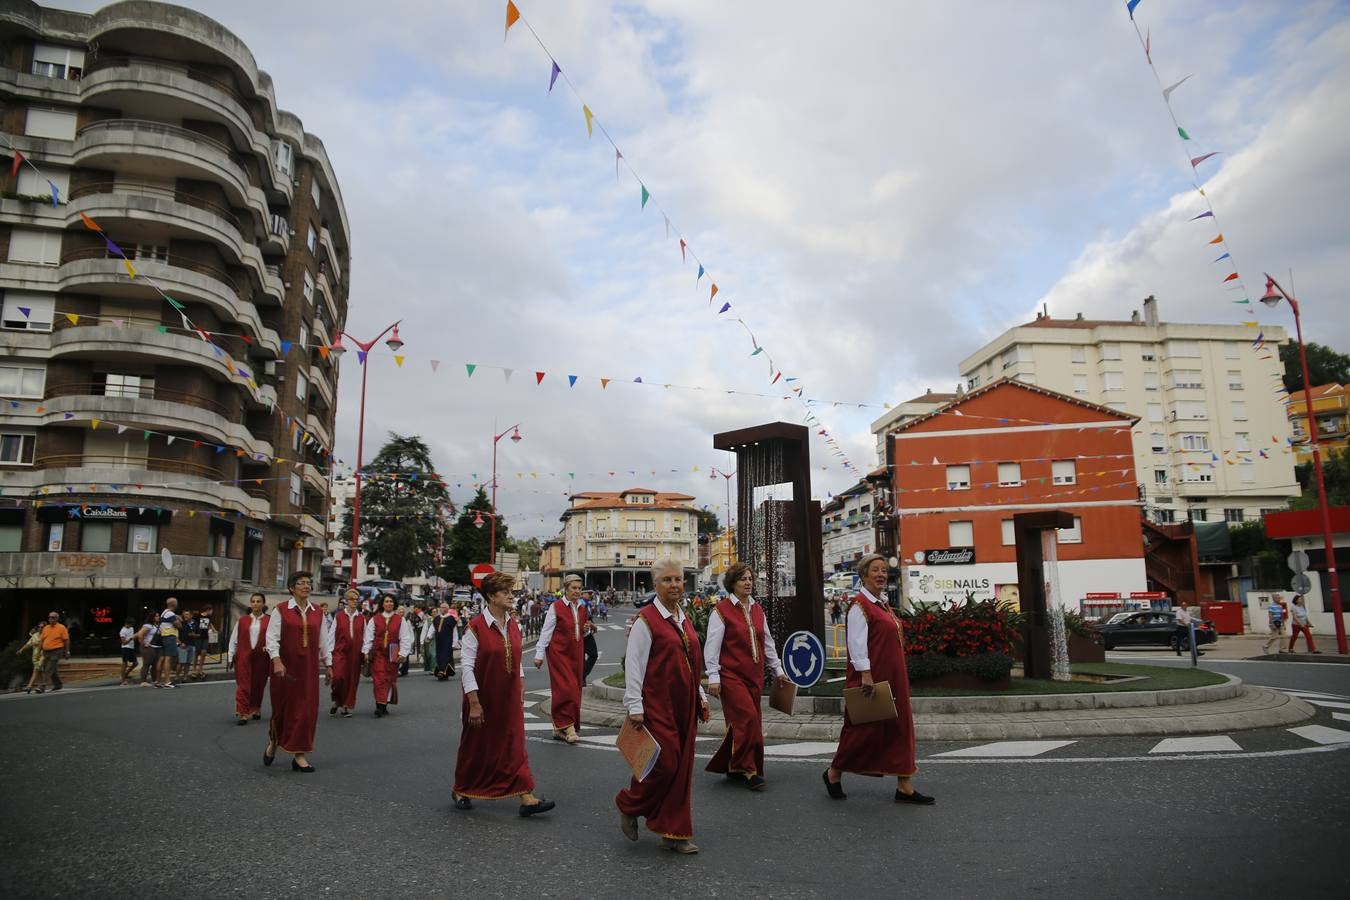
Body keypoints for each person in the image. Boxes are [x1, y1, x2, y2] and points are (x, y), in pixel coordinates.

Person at [616, 558, 709, 855]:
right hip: (656, 705)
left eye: (678, 580)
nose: (674, 585)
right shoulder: (646, 620)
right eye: (667, 580)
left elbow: (693, 663)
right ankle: (629, 805)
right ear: (655, 584)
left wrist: (701, 695)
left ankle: (674, 831)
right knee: (664, 764)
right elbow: (634, 665)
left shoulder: (684, 617)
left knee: (682, 769)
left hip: (685, 705)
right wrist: (634, 705)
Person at [825, 553, 934, 806]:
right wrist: (865, 674)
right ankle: (833, 774)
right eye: (875, 570)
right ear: (863, 575)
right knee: (862, 732)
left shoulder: (882, 605)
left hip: (894, 678)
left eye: (884, 570)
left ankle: (905, 786)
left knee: (901, 727)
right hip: (872, 680)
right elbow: (856, 643)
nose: (881, 575)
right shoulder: (859, 606)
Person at [452, 571, 555, 817]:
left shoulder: (514, 623)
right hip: (483, 696)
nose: (511, 596)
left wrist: (520, 683)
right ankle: (462, 788)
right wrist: (474, 702)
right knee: (476, 745)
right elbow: (466, 666)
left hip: (508, 697)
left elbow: (517, 658)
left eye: (511, 592)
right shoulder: (475, 627)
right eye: (505, 592)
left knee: (514, 743)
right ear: (491, 596)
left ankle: (526, 796)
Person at [705, 562, 790, 791]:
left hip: (754, 676)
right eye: (743, 578)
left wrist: (778, 671)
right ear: (732, 583)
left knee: (746, 722)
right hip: (731, 676)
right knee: (748, 719)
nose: (748, 582)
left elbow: (768, 643)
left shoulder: (758, 609)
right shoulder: (721, 611)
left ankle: (734, 766)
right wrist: (713, 676)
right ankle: (749, 768)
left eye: (750, 578)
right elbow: (711, 646)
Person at [264, 572, 331, 772]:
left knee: (306, 711)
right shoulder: (281, 610)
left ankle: (299, 755)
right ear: (292, 588)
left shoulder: (318, 611)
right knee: (283, 709)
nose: (306, 586)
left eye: (309, 583)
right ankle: (275, 742)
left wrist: (329, 665)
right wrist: (276, 660)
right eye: (301, 583)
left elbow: (323, 641)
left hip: (308, 670)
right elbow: (271, 638)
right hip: (284, 670)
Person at [533, 575, 589, 744]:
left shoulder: (582, 607)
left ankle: (559, 728)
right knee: (567, 689)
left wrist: (586, 630)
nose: (577, 591)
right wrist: (539, 654)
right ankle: (568, 727)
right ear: (566, 588)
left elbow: (579, 632)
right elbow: (546, 631)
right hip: (559, 653)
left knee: (576, 689)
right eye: (574, 588)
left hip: (576, 652)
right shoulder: (556, 607)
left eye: (579, 588)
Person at [363, 594, 411, 717]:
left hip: (393, 651)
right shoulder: (375, 619)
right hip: (377, 652)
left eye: (391, 601)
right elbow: (368, 636)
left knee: (389, 679)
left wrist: (403, 653)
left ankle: (384, 704)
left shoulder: (401, 620)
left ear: (394, 604)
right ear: (382, 604)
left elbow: (405, 638)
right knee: (379, 678)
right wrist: (366, 651)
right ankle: (379, 705)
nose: (388, 603)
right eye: (386, 601)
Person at [229, 593, 271, 725]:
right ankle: (242, 712)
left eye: (258, 601)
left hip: (262, 656)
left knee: (258, 684)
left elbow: (274, 638)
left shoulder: (270, 621)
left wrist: (269, 648)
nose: (255, 604)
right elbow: (234, 639)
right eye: (253, 601)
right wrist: (230, 656)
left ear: (263, 604)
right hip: (243, 655)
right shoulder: (243, 620)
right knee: (243, 684)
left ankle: (255, 708)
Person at [327, 589, 366, 717]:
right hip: (340, 653)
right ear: (346, 601)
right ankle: (337, 700)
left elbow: (365, 636)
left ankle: (345, 706)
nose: (354, 602)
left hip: (355, 654)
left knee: (351, 680)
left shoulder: (361, 618)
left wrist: (365, 651)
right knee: (338, 678)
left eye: (356, 600)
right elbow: (331, 636)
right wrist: (328, 654)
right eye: (351, 599)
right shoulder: (338, 616)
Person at [33, 610, 70, 693]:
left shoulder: (61, 627)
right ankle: (58, 685)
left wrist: (67, 652)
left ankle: (41, 687)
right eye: (49, 617)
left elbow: (66, 640)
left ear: (57, 619)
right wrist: (38, 653)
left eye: (53, 617)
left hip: (57, 651)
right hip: (46, 652)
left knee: (48, 668)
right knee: (48, 668)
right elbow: (41, 641)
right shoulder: (46, 628)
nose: (51, 619)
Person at [432, 600, 460, 680]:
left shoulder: (451, 619)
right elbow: (433, 629)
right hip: (438, 641)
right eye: (441, 607)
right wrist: (428, 636)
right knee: (439, 656)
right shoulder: (436, 618)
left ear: (447, 609)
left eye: (443, 607)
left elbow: (454, 631)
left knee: (445, 656)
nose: (441, 609)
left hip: (447, 641)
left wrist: (454, 643)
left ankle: (442, 671)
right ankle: (443, 672)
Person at [155, 598, 181, 688]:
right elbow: (178, 625)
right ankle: (167, 681)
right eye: (176, 603)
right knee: (168, 659)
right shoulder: (170, 613)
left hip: (163, 637)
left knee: (161, 659)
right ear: (174, 604)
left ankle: (158, 681)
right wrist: (178, 620)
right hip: (170, 637)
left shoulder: (164, 612)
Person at [17, 626, 43, 693]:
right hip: (35, 656)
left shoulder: (46, 634)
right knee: (39, 671)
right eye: (39, 627)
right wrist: (21, 650)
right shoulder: (34, 635)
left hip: (43, 655)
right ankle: (40, 686)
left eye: (42, 627)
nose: (41, 628)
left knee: (36, 669)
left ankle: (29, 686)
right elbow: (28, 644)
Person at [137, 613, 158, 688]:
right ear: (152, 617)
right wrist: (144, 644)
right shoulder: (148, 626)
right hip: (147, 647)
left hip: (155, 647)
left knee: (155, 664)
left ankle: (154, 680)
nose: (158, 617)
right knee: (147, 664)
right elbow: (140, 634)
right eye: (156, 616)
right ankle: (143, 681)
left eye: (158, 616)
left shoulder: (155, 626)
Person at [119, 617, 139, 685]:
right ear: (126, 624)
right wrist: (131, 638)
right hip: (125, 648)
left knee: (135, 663)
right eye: (130, 625)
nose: (131, 626)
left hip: (131, 648)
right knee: (125, 663)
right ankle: (122, 679)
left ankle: (125, 674)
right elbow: (123, 642)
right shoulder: (122, 631)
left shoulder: (131, 628)